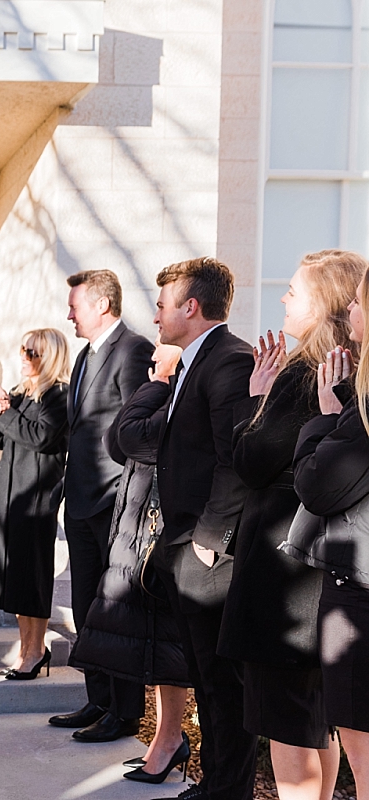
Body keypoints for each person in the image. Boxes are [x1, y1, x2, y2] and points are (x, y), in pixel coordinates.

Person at [219, 250, 364, 800]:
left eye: (294, 292)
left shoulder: (304, 373)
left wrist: (255, 401)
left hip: (280, 579)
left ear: (323, 305)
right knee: (314, 722)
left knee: (288, 728)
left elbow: (253, 462)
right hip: (322, 579)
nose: (283, 299)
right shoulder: (348, 373)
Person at [120, 257, 255, 800]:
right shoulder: (192, 362)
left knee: (222, 685)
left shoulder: (231, 361)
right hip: (183, 544)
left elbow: (234, 461)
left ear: (190, 307)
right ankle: (214, 781)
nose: (155, 316)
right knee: (204, 678)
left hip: (209, 554)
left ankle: (230, 790)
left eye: (161, 304)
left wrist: (208, 540)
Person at [71, 338, 192, 784]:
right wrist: (158, 384)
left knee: (168, 647)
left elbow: (127, 438)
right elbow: (116, 441)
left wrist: (157, 383)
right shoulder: (167, 389)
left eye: (161, 354)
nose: (153, 355)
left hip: (165, 531)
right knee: (158, 647)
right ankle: (166, 741)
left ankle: (169, 742)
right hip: (140, 528)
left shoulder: (178, 388)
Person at [53, 269, 155, 743]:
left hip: (113, 504)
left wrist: (121, 493)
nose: (68, 314)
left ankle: (126, 713)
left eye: (74, 306)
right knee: (86, 607)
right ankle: (98, 699)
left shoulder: (134, 350)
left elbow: (135, 426)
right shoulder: (82, 356)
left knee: (118, 611)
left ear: (101, 306)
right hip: (79, 502)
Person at [290, 265, 369, 800]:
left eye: (360, 303)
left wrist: (322, 418)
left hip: (358, 592)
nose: (353, 313)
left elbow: (316, 485)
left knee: (364, 754)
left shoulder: (360, 405)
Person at [0, 328, 71, 680]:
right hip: (9, 491)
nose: (24, 357)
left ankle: (36, 650)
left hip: (36, 495)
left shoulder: (58, 394)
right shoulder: (21, 392)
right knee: (14, 577)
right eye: (23, 350)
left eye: (32, 352)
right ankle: (27, 648)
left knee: (32, 576)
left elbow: (40, 436)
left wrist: (6, 413)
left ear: (49, 357)